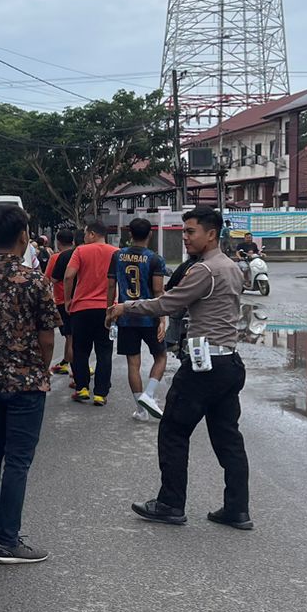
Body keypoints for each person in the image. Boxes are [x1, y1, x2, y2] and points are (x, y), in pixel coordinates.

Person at [109, 206, 253, 530]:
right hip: (228, 362)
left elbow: (167, 303)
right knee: (228, 438)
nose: (185, 237)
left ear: (211, 234)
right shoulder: (230, 267)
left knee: (173, 430)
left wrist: (124, 307)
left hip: (204, 367)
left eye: (190, 232)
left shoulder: (204, 271)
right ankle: (237, 509)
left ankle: (170, 504)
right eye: (184, 231)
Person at [0, 202, 59, 565]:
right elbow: (48, 336)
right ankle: (8, 541)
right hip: (26, 384)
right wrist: (41, 368)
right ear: (24, 236)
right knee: (18, 462)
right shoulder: (34, 281)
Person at [110, 217, 169, 421]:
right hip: (149, 316)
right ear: (150, 234)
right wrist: (162, 319)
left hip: (125, 317)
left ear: (129, 234)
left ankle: (141, 410)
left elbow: (111, 286)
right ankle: (149, 394)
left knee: (132, 364)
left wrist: (110, 312)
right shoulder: (155, 259)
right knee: (161, 356)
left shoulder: (117, 256)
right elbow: (158, 291)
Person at [62, 218, 118, 405]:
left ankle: (82, 388)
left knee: (81, 350)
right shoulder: (115, 252)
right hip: (107, 309)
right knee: (104, 351)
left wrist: (68, 299)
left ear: (93, 234)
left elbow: (69, 276)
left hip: (82, 309)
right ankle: (101, 393)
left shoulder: (80, 251)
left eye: (86, 233)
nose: (84, 237)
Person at [44, 228, 76, 375]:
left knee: (69, 336)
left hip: (62, 300)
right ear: (73, 241)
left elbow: (48, 279)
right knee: (72, 335)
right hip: (78, 299)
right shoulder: (78, 254)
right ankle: (66, 361)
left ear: (58, 242)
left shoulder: (56, 258)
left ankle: (76, 369)